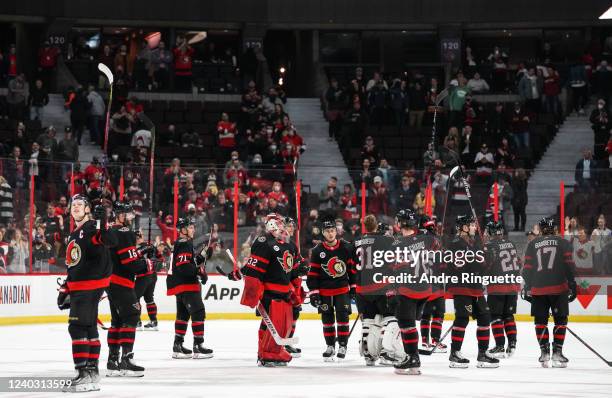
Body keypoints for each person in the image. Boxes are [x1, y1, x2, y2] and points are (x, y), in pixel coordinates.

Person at [57, 195, 118, 392]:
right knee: (89, 326)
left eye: (79, 205)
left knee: (76, 327)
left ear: (87, 209)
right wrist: (67, 286)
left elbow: (110, 240)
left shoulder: (92, 226)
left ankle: (82, 373)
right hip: (82, 285)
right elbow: (76, 264)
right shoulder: (74, 232)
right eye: (72, 205)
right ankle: (92, 373)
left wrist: (103, 221)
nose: (75, 207)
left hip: (88, 285)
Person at [238, 213, 295, 367]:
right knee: (273, 322)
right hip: (270, 292)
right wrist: (254, 292)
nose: (283, 226)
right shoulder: (264, 242)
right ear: (272, 225)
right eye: (280, 223)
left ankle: (272, 351)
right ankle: (268, 353)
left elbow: (289, 268)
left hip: (283, 291)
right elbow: (255, 269)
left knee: (280, 323)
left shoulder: (284, 243)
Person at [391, 209, 441, 375]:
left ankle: (413, 357)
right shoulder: (427, 239)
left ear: (401, 224)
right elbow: (438, 251)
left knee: (407, 325)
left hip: (409, 289)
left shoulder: (398, 244)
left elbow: (395, 269)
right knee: (410, 324)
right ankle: (411, 356)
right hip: (426, 290)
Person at [445, 215, 499, 368]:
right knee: (462, 318)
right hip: (462, 287)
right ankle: (455, 353)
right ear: (464, 228)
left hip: (475, 288)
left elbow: (482, 268)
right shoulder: (455, 243)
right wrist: (479, 253)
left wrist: (488, 257)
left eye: (475, 226)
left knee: (485, 317)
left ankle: (482, 354)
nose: (475, 228)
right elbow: (460, 265)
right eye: (472, 225)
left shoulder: (474, 244)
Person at [522, 217, 576, 368]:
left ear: (541, 229)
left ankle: (544, 353)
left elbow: (526, 270)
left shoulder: (532, 244)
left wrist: (528, 286)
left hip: (538, 289)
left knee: (540, 322)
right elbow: (569, 266)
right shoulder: (563, 242)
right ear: (554, 229)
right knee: (561, 320)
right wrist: (572, 284)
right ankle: (557, 353)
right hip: (559, 288)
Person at [106, 202, 151, 377]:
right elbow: (130, 263)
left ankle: (112, 361)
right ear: (119, 215)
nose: (130, 218)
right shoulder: (124, 232)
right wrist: (147, 263)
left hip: (111, 283)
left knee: (116, 321)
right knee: (132, 316)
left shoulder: (110, 232)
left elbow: (122, 257)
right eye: (127, 214)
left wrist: (138, 252)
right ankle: (126, 360)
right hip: (123, 284)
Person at [307, 215, 356, 361]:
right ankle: (330, 346)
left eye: (333, 230)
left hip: (342, 290)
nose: (330, 233)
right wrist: (314, 293)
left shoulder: (346, 247)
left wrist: (353, 287)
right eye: (328, 231)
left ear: (337, 231)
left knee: (343, 317)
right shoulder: (317, 251)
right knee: (327, 320)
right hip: (324, 291)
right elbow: (313, 274)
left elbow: (352, 270)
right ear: (323, 232)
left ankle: (342, 345)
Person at [354, 214, 397, 366]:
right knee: (389, 318)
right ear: (377, 226)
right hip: (380, 286)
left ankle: (368, 354)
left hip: (362, 288)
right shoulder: (386, 240)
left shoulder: (357, 241)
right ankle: (385, 353)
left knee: (368, 321)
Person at [166, 217, 213, 359]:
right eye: (190, 227)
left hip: (177, 283)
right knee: (198, 311)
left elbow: (189, 262)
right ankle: (198, 346)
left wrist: (203, 256)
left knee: (183, 315)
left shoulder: (181, 243)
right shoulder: (185, 242)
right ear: (183, 230)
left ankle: (177, 345)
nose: (193, 229)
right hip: (186, 284)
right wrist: (200, 272)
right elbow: (185, 266)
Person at [483, 220, 521, 359]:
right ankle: (512, 344)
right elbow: (519, 263)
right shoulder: (511, 244)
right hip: (512, 287)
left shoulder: (489, 246)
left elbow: (486, 266)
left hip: (497, 287)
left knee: (496, 316)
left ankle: (499, 345)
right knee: (508, 316)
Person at [134, 231, 159, 331]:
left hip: (144, 276)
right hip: (153, 276)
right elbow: (158, 258)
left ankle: (137, 322)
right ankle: (154, 321)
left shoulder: (141, 248)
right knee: (149, 298)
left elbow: (136, 256)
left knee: (135, 298)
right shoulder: (150, 246)